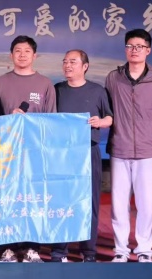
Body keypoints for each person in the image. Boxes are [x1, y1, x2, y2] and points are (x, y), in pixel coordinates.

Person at [0, 35, 56, 263]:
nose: (22, 55)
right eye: (17, 50)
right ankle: (8, 248)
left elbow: (51, 121)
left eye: (27, 51)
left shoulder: (45, 84)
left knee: (32, 199)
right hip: (6, 152)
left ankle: (32, 248)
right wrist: (9, 119)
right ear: (11, 55)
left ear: (34, 55)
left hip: (34, 152)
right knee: (7, 199)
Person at [106, 29, 152, 263]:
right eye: (130, 46)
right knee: (118, 203)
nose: (134, 50)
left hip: (147, 151)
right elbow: (108, 110)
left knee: (145, 203)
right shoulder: (113, 78)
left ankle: (144, 250)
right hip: (119, 149)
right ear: (125, 49)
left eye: (139, 46)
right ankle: (120, 250)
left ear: (148, 50)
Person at [50, 49, 113, 263]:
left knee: (90, 201)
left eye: (73, 62)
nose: (68, 65)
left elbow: (109, 118)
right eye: (65, 61)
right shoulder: (57, 90)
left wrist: (100, 122)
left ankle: (89, 251)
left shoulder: (97, 90)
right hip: (62, 154)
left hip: (88, 150)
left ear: (85, 66)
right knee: (61, 201)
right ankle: (59, 250)